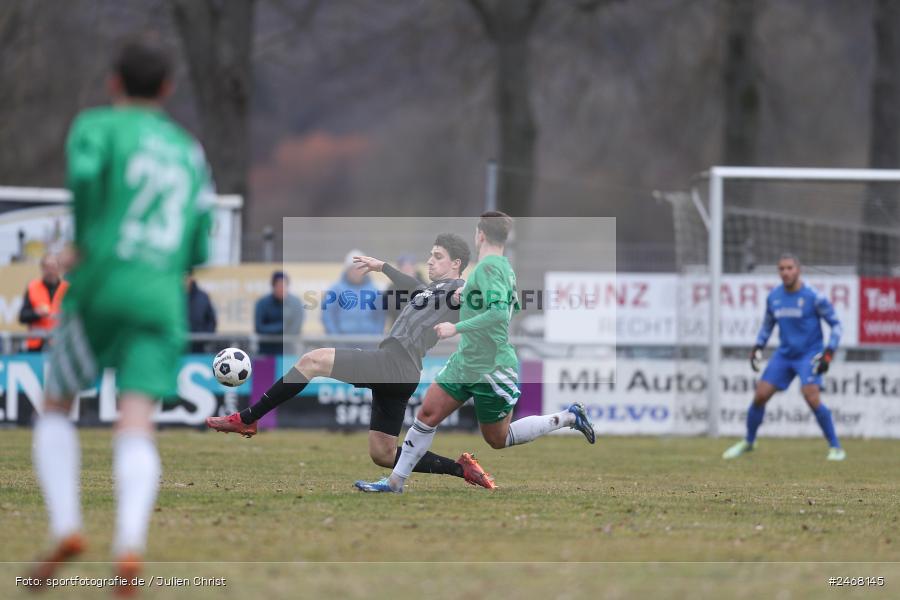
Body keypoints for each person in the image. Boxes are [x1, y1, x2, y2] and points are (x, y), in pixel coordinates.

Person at [27, 38, 214, 594]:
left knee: (57, 405)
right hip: (160, 295)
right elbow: (199, 244)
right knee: (137, 422)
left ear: (113, 82)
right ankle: (128, 545)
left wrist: (87, 242)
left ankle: (67, 527)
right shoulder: (188, 150)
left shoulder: (96, 127)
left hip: (103, 282)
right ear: (167, 88)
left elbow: (85, 182)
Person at [207, 234, 495, 488]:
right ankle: (461, 468)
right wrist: (382, 266)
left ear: (456, 263)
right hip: (402, 373)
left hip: (393, 364)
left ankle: (247, 418)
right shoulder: (430, 290)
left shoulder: (457, 289)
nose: (430, 261)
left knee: (312, 360)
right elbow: (412, 284)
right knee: (382, 454)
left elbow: (467, 297)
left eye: (438, 256)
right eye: (430, 254)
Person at [355, 212, 595, 494]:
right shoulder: (504, 267)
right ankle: (395, 483)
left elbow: (498, 315)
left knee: (497, 438)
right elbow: (512, 307)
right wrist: (468, 297)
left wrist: (457, 328)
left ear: (479, 234)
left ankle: (568, 417)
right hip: (466, 361)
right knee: (427, 414)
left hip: (491, 367)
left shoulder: (488, 268)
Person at [722, 253, 845, 461]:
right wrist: (758, 346)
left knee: (811, 396)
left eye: (790, 268)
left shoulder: (814, 297)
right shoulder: (774, 297)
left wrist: (829, 352)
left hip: (809, 354)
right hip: (785, 354)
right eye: (781, 269)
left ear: (799, 270)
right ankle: (749, 442)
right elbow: (768, 325)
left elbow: (837, 325)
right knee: (760, 395)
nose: (785, 272)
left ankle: (836, 447)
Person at [321, 250, 386, 336]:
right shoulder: (335, 290)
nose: (357, 272)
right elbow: (328, 316)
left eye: (360, 268)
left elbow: (380, 317)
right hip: (342, 343)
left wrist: (375, 337)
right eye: (354, 269)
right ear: (347, 270)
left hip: (369, 343)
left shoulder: (375, 291)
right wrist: (336, 338)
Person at [18, 253, 69, 352]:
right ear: (42, 268)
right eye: (47, 267)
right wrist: (36, 313)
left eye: (53, 267)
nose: (50, 271)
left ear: (58, 268)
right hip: (36, 344)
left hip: (59, 343)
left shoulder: (66, 289)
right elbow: (22, 316)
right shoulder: (32, 287)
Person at [254, 271, 304, 355]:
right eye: (279, 286)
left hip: (288, 351)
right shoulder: (262, 303)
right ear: (273, 286)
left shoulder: (295, 303)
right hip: (266, 351)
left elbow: (296, 328)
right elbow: (259, 328)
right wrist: (282, 327)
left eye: (284, 286)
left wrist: (274, 330)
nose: (282, 289)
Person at [385, 254, 424, 327]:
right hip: (398, 331)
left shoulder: (425, 287)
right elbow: (388, 313)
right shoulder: (391, 289)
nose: (407, 268)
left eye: (410, 265)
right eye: (404, 266)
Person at [185, 269, 216, 353]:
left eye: (186, 277)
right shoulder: (173, 297)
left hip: (198, 348)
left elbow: (211, 320)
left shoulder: (202, 297)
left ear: (191, 278)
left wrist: (205, 338)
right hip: (177, 348)